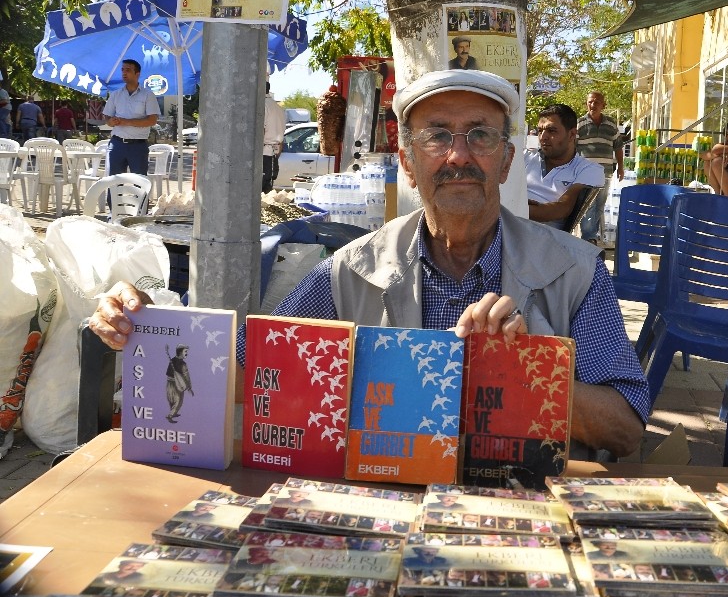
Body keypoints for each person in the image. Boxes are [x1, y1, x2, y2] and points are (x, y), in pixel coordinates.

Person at [87, 69, 650, 460]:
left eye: (480, 135)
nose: (459, 156)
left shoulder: (573, 269)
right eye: (437, 137)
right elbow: (242, 368)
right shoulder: (349, 270)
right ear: (406, 160)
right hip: (388, 505)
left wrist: (525, 376)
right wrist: (144, 327)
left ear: (506, 160)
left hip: (522, 513)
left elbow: (626, 429)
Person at [525, 104, 605, 231]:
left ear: (572, 134)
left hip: (543, 239)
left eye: (551, 131)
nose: (543, 137)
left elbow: (562, 209)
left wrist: (516, 207)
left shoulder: (589, 170)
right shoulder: (526, 157)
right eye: (540, 131)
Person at [575, 91, 624, 245]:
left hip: (605, 174)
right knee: (588, 206)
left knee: (599, 206)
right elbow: (572, 148)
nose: (593, 105)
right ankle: (588, 238)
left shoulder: (611, 125)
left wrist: (621, 167)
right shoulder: (579, 124)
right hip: (586, 174)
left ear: (604, 105)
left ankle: (591, 236)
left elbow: (618, 147)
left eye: (597, 102)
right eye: (590, 101)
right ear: (586, 103)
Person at [102, 59, 160, 175]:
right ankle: (113, 194)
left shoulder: (148, 95)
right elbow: (106, 117)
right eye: (122, 70)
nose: (124, 73)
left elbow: (152, 120)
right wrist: (111, 122)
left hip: (138, 146)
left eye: (128, 70)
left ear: (137, 74)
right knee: (113, 184)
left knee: (139, 184)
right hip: (117, 144)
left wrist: (126, 122)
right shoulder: (116, 95)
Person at [262, 81, 286, 193]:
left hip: (263, 155)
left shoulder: (263, 106)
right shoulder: (278, 108)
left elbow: (260, 132)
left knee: (260, 191)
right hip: (273, 155)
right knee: (267, 189)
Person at [165, 344, 193, 423]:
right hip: (178, 384)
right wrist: (189, 387)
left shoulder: (172, 360)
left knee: (172, 399)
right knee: (178, 400)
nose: (187, 353)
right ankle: (170, 416)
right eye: (185, 351)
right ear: (180, 352)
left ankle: (174, 413)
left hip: (170, 383)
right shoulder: (183, 364)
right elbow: (186, 376)